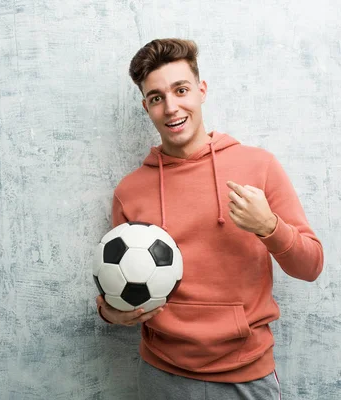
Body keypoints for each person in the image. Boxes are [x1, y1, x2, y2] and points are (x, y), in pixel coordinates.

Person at [95, 38, 324, 400]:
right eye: (156, 98)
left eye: (181, 90)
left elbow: (311, 266)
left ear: (201, 91)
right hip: (160, 375)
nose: (171, 108)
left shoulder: (257, 166)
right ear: (146, 107)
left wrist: (269, 227)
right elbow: (116, 286)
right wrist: (109, 312)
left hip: (246, 376)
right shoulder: (130, 191)